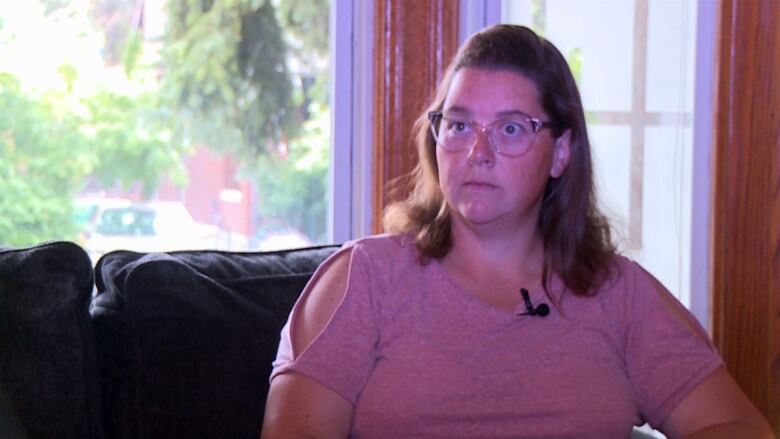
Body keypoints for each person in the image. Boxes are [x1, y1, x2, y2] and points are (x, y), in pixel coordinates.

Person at [261, 24, 772, 438]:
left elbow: (740, 426)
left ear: (561, 153)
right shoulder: (363, 280)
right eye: (459, 125)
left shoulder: (619, 295)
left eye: (510, 129)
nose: (477, 153)